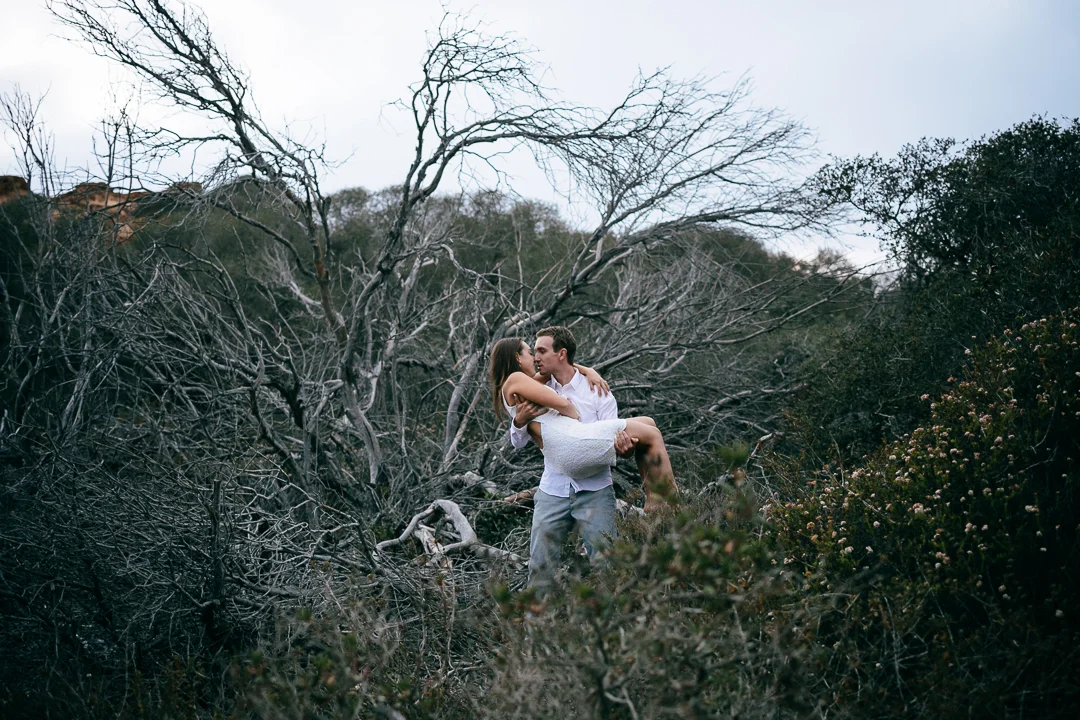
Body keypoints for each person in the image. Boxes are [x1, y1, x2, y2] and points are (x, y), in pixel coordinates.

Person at [489, 326, 677, 593]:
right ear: (519, 359)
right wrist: (518, 421)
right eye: (533, 352)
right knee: (541, 568)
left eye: (541, 351)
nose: (537, 357)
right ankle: (665, 503)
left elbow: (616, 441)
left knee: (607, 566)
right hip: (555, 485)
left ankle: (610, 625)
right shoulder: (531, 384)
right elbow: (518, 442)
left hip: (593, 485)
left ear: (561, 354)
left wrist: (626, 451)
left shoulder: (597, 390)